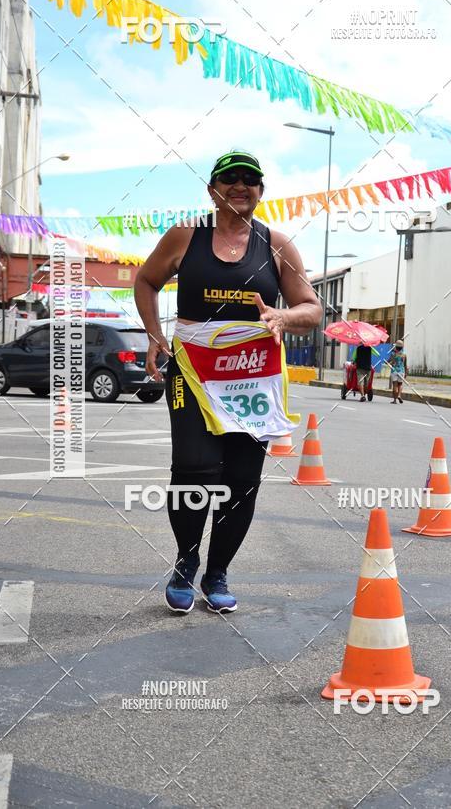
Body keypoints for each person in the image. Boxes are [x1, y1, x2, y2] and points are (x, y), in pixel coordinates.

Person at [134, 151, 321, 615]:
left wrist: (284, 315)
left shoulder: (276, 245)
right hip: (193, 373)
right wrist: (156, 336)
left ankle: (217, 572)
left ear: (261, 191)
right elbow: (146, 281)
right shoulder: (185, 236)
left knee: (241, 480)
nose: (241, 186)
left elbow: (312, 309)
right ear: (213, 189)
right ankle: (185, 561)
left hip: (253, 379)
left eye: (251, 180)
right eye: (230, 179)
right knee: (193, 470)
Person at [390, 339, 407, 404]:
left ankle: (395, 400)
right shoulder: (404, 355)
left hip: (394, 371)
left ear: (396, 346)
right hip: (401, 371)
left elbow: (391, 361)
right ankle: (399, 395)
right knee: (400, 384)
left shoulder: (393, 354)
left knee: (395, 385)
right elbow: (405, 364)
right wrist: (406, 373)